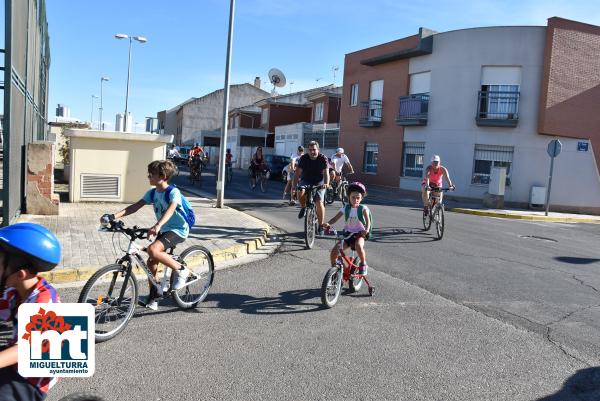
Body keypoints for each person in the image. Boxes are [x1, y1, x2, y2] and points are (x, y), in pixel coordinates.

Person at [100, 160, 190, 311]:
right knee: (151, 262)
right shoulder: (153, 192)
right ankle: (154, 297)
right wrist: (113, 217)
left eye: (151, 174)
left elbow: (171, 209)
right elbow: (134, 207)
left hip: (178, 229)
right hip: (164, 229)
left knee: (153, 250)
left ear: (162, 176)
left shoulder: (173, 192)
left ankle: (181, 270)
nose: (148, 176)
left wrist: (157, 225)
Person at [0, 223, 62, 401]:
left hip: (31, 375)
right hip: (10, 344)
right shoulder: (10, 290)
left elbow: (26, 349)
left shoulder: (45, 302)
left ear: (19, 274)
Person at [322, 182, 370, 275]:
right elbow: (335, 218)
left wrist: (366, 230)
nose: (356, 200)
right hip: (348, 235)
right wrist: (328, 223)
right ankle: (335, 272)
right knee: (334, 252)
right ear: (349, 197)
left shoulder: (363, 208)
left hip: (360, 234)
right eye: (353, 197)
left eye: (358, 198)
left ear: (361, 198)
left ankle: (363, 263)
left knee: (358, 246)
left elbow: (368, 221)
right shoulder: (346, 208)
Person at [292, 141, 329, 234]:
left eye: (314, 150)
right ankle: (304, 207)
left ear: (318, 150)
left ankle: (320, 225)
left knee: (318, 201)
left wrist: (326, 183)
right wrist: (293, 187)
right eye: (310, 150)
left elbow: (326, 173)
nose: (312, 152)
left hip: (319, 181)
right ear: (308, 150)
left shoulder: (323, 158)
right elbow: (297, 174)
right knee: (300, 191)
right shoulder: (303, 158)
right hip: (306, 180)